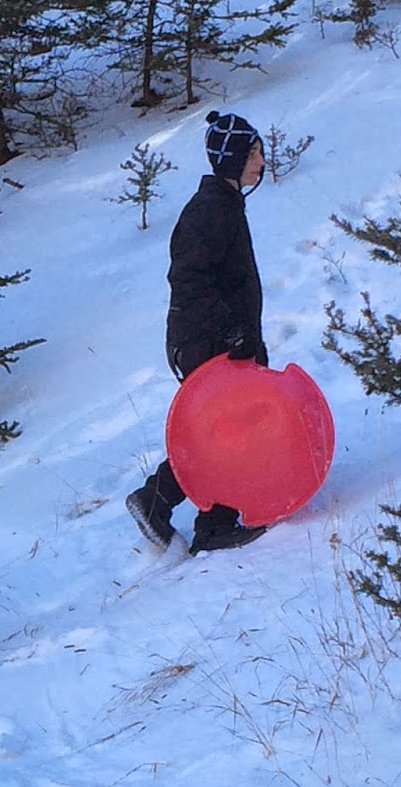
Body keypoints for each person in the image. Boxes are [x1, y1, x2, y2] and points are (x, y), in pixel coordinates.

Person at [127, 111, 270, 555]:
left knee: (226, 427)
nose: (261, 161)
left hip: (217, 339)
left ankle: (192, 510)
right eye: (253, 153)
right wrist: (232, 332)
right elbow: (189, 280)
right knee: (223, 428)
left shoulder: (225, 205)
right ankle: (183, 510)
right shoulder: (210, 211)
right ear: (230, 160)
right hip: (205, 341)